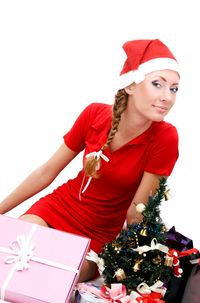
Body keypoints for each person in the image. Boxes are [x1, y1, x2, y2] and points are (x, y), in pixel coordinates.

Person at [0, 39, 180, 281]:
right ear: (130, 86)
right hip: (57, 209)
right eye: (157, 84)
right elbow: (46, 172)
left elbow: (137, 213)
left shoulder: (165, 137)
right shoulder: (94, 114)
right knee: (14, 255)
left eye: (174, 88)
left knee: (52, 276)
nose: (167, 97)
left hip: (98, 233)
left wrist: (128, 265)